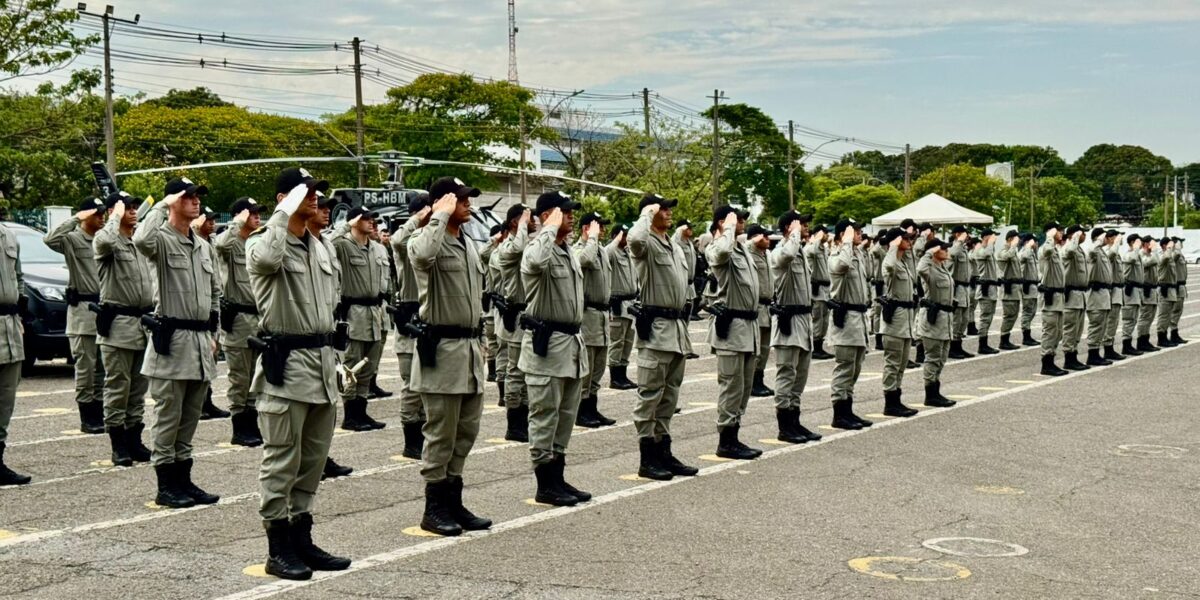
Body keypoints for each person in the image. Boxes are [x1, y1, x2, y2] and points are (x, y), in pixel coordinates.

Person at [245, 167, 350, 580]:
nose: (314, 198)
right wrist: (282, 213)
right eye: (304, 192)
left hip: (321, 365)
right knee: (281, 461)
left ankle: (301, 537)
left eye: (316, 192)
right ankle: (278, 547)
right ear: (283, 199)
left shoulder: (320, 246)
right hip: (287, 367)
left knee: (312, 462)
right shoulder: (263, 242)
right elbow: (267, 260)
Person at [408, 176, 491, 536]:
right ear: (443, 203)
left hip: (469, 350)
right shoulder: (428, 239)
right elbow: (420, 255)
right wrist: (438, 216)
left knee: (465, 432)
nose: (468, 203)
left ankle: (453, 500)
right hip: (442, 351)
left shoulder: (467, 242)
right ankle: (434, 507)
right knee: (441, 433)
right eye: (460, 199)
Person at [133, 177, 221, 508]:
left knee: (190, 417)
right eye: (188, 196)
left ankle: (184, 480)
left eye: (197, 196)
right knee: (168, 418)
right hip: (173, 340)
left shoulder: (203, 245)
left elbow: (215, 293)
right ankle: (166, 485)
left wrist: (214, 335)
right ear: (173, 201)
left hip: (200, 341)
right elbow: (140, 238)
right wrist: (162, 204)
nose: (195, 201)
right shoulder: (161, 239)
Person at [519, 191, 591, 506]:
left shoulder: (567, 250)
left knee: (565, 416)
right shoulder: (538, 248)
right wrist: (548, 226)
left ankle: (558, 477)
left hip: (570, 344)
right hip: (547, 346)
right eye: (565, 212)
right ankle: (545, 483)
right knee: (545, 416)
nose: (571, 216)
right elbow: (535, 261)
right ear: (548, 215)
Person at [627, 195, 699, 479]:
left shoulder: (672, 244)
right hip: (656, 329)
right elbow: (634, 239)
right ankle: (647, 458)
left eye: (669, 209)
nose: (668, 213)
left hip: (677, 329)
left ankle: (663, 451)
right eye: (662, 209)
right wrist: (646, 214)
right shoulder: (645, 243)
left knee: (669, 397)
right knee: (650, 396)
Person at [92, 192, 155, 466]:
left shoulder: (137, 242)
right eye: (126, 207)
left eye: (134, 207)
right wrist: (114, 216)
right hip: (118, 326)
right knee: (118, 387)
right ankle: (118, 443)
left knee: (138, 389)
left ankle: (134, 439)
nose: (132, 211)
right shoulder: (107, 240)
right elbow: (103, 241)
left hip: (142, 325)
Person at [44, 197, 107, 434]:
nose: (101, 217)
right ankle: (87, 416)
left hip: (105, 309)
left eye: (103, 213)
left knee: (102, 368)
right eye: (96, 213)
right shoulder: (73, 239)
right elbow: (50, 239)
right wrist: (75, 218)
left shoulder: (103, 239)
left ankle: (99, 413)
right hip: (83, 311)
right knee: (86, 368)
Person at [706, 205, 763, 459]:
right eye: (736, 219)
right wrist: (727, 229)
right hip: (732, 327)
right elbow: (720, 253)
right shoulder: (718, 247)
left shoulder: (741, 249)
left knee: (744, 387)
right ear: (722, 222)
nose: (741, 222)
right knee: (731, 386)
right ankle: (726, 441)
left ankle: (735, 435)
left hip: (748, 327)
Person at [307, 191, 353, 481]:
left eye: (328, 207)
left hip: (328, 334)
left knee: (328, 402)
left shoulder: (326, 245)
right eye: (320, 206)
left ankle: (322, 457)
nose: (325, 211)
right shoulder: (293, 244)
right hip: (303, 338)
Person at [214, 197, 265, 446]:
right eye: (251, 213)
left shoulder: (257, 243)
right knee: (240, 378)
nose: (257, 217)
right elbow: (219, 244)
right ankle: (239, 427)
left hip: (260, 318)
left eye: (257, 213)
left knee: (256, 376)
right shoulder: (230, 243)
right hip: (239, 320)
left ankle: (251, 423)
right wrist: (236, 223)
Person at [332, 207, 388, 431]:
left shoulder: (376, 248)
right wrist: (347, 225)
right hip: (353, 313)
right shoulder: (343, 245)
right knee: (351, 366)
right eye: (365, 218)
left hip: (375, 313)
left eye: (372, 218)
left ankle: (362, 412)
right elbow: (326, 242)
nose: (371, 222)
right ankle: (350, 415)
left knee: (368, 367)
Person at [769, 210, 822, 444]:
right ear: (788, 228)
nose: (806, 227)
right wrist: (794, 234)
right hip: (788, 321)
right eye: (802, 224)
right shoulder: (780, 251)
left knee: (800, 377)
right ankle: (784, 426)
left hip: (803, 320)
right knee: (786, 374)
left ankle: (795, 421)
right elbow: (786, 256)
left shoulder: (800, 252)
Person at [391, 194, 433, 459]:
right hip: (409, 320)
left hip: (429, 321)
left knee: (428, 385)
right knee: (411, 386)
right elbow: (397, 240)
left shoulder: (431, 243)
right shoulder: (407, 244)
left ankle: (425, 436)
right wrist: (418, 218)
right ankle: (411, 441)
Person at [828, 219, 873, 429]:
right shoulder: (837, 255)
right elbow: (842, 266)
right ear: (842, 235)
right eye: (855, 231)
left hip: (859, 319)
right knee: (845, 368)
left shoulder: (857, 255)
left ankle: (848, 410)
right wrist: (846, 242)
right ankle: (839, 414)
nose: (860, 234)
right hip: (846, 319)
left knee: (854, 368)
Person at [573, 211, 616, 428]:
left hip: (602, 315)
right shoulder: (579, 249)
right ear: (586, 228)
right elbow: (584, 260)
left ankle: (592, 407)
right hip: (588, 314)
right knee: (587, 367)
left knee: (598, 366)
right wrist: (591, 238)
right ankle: (581, 411)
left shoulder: (601, 251)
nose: (603, 230)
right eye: (599, 226)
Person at [494, 203, 533, 441]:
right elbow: (518, 247)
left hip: (528, 316)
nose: (532, 221)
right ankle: (514, 424)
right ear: (514, 223)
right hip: (516, 317)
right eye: (527, 218)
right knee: (516, 372)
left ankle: (524, 421)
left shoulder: (524, 243)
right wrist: (524, 225)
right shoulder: (507, 247)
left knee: (527, 372)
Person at [0, 214, 31, 485]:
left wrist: (19, 314)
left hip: (9, 325)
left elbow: (18, 277)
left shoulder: (8, 235)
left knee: (5, 398)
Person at [192, 206, 230, 421]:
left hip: (213, 307)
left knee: (211, 360)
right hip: (197, 308)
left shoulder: (212, 243)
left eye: (214, 219)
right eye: (208, 219)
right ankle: (197, 404)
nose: (213, 223)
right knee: (198, 361)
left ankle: (206, 401)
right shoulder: (193, 243)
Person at [877, 228, 918, 417]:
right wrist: (893, 247)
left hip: (906, 321)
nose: (910, 241)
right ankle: (890, 403)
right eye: (906, 238)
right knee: (892, 363)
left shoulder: (903, 263)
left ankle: (896, 400)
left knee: (901, 364)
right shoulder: (890, 260)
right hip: (895, 321)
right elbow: (888, 267)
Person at [916, 239, 956, 407]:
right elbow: (920, 269)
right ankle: (930, 394)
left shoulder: (942, 267)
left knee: (942, 358)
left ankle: (936, 391)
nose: (946, 251)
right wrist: (929, 252)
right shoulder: (929, 268)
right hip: (933, 319)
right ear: (934, 251)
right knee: (933, 357)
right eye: (943, 248)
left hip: (945, 319)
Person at [607, 224, 638, 390]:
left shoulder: (628, 253)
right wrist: (615, 241)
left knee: (627, 342)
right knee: (617, 342)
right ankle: (615, 378)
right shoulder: (611, 252)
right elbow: (607, 251)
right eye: (623, 235)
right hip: (618, 305)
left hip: (630, 304)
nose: (626, 238)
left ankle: (623, 374)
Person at [1038, 222, 1069, 376]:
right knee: (1050, 331)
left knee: (1058, 332)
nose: (1061, 233)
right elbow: (1047, 250)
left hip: (1058, 298)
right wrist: (1049, 237)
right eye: (1059, 230)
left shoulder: (1056, 250)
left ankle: (1051, 360)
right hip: (1050, 297)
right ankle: (1046, 364)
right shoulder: (1046, 248)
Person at [747, 224, 775, 397]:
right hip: (756, 306)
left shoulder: (767, 255)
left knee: (764, 349)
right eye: (764, 237)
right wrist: (752, 242)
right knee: (755, 349)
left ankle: (759, 380)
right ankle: (751, 382)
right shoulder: (749, 254)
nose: (767, 239)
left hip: (767, 307)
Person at [1059, 225, 1090, 370]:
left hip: (1080, 295)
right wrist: (1075, 237)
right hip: (1071, 294)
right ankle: (1068, 358)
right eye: (1082, 233)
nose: (1084, 236)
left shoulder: (1079, 249)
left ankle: (1073, 355)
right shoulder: (1068, 247)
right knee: (1070, 328)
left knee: (1078, 329)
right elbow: (1069, 251)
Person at [1084, 228, 1115, 366]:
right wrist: (1099, 240)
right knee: (1096, 325)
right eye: (1105, 236)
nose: (1107, 239)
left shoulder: (1101, 251)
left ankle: (1096, 353)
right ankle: (1092, 354)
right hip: (1096, 294)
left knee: (1102, 325)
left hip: (1103, 294)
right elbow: (1091, 251)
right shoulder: (1094, 251)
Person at [804, 226, 834, 360]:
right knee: (817, 320)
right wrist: (817, 238)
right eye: (824, 233)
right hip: (817, 289)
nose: (826, 235)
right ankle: (815, 348)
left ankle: (819, 346)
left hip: (825, 289)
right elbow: (812, 251)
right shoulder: (811, 247)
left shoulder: (823, 248)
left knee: (824, 321)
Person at [947, 226, 974, 359]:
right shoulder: (953, 248)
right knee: (956, 319)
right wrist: (959, 240)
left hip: (964, 288)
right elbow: (952, 255)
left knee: (964, 319)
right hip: (957, 288)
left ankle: (958, 345)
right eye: (965, 234)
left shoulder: (963, 249)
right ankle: (952, 348)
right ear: (957, 234)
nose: (967, 237)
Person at [995, 230, 1023, 351]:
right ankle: (1003, 340)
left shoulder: (1013, 251)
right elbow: (1006, 256)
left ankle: (1006, 338)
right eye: (1017, 239)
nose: (1019, 241)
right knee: (1009, 315)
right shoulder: (1003, 251)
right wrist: (1013, 245)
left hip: (1015, 289)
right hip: (1008, 290)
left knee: (1014, 315)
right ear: (1010, 239)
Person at [1103, 230, 1127, 361]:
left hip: (1117, 290)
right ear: (1110, 238)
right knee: (1110, 320)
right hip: (1111, 290)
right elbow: (1110, 256)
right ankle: (1107, 348)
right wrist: (1116, 243)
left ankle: (1110, 346)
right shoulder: (1108, 250)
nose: (1120, 238)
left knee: (1114, 320)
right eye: (1117, 236)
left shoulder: (1116, 252)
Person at [1120, 234, 1146, 357]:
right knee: (1128, 319)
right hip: (1130, 291)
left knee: (1133, 319)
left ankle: (1128, 344)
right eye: (1138, 241)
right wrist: (1135, 248)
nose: (1140, 244)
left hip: (1137, 291)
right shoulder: (1129, 254)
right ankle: (1126, 345)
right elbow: (1131, 259)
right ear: (1132, 242)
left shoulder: (1137, 255)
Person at [1155, 237, 1180, 349]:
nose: (1172, 245)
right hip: (1164, 289)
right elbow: (1165, 257)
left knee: (1168, 315)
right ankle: (1161, 338)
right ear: (1164, 245)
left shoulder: (1169, 256)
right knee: (1163, 315)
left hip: (1171, 289)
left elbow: (1176, 255)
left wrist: (1176, 247)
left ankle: (1165, 337)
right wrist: (1169, 248)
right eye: (1170, 244)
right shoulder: (1162, 255)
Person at [1018, 234, 1040, 346]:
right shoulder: (1024, 252)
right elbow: (1022, 258)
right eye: (1035, 242)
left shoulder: (1032, 253)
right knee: (1027, 312)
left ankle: (1027, 334)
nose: (1037, 244)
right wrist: (1028, 246)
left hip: (1034, 287)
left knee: (1032, 312)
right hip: (1027, 286)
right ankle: (1026, 336)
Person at [1169, 237, 1188, 344]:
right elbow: (1172, 258)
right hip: (1176, 286)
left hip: (1181, 286)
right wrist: (1176, 248)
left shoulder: (1179, 254)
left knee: (1178, 311)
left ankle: (1175, 333)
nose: (1181, 244)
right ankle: (1173, 334)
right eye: (1180, 242)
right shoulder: (1174, 254)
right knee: (1175, 311)